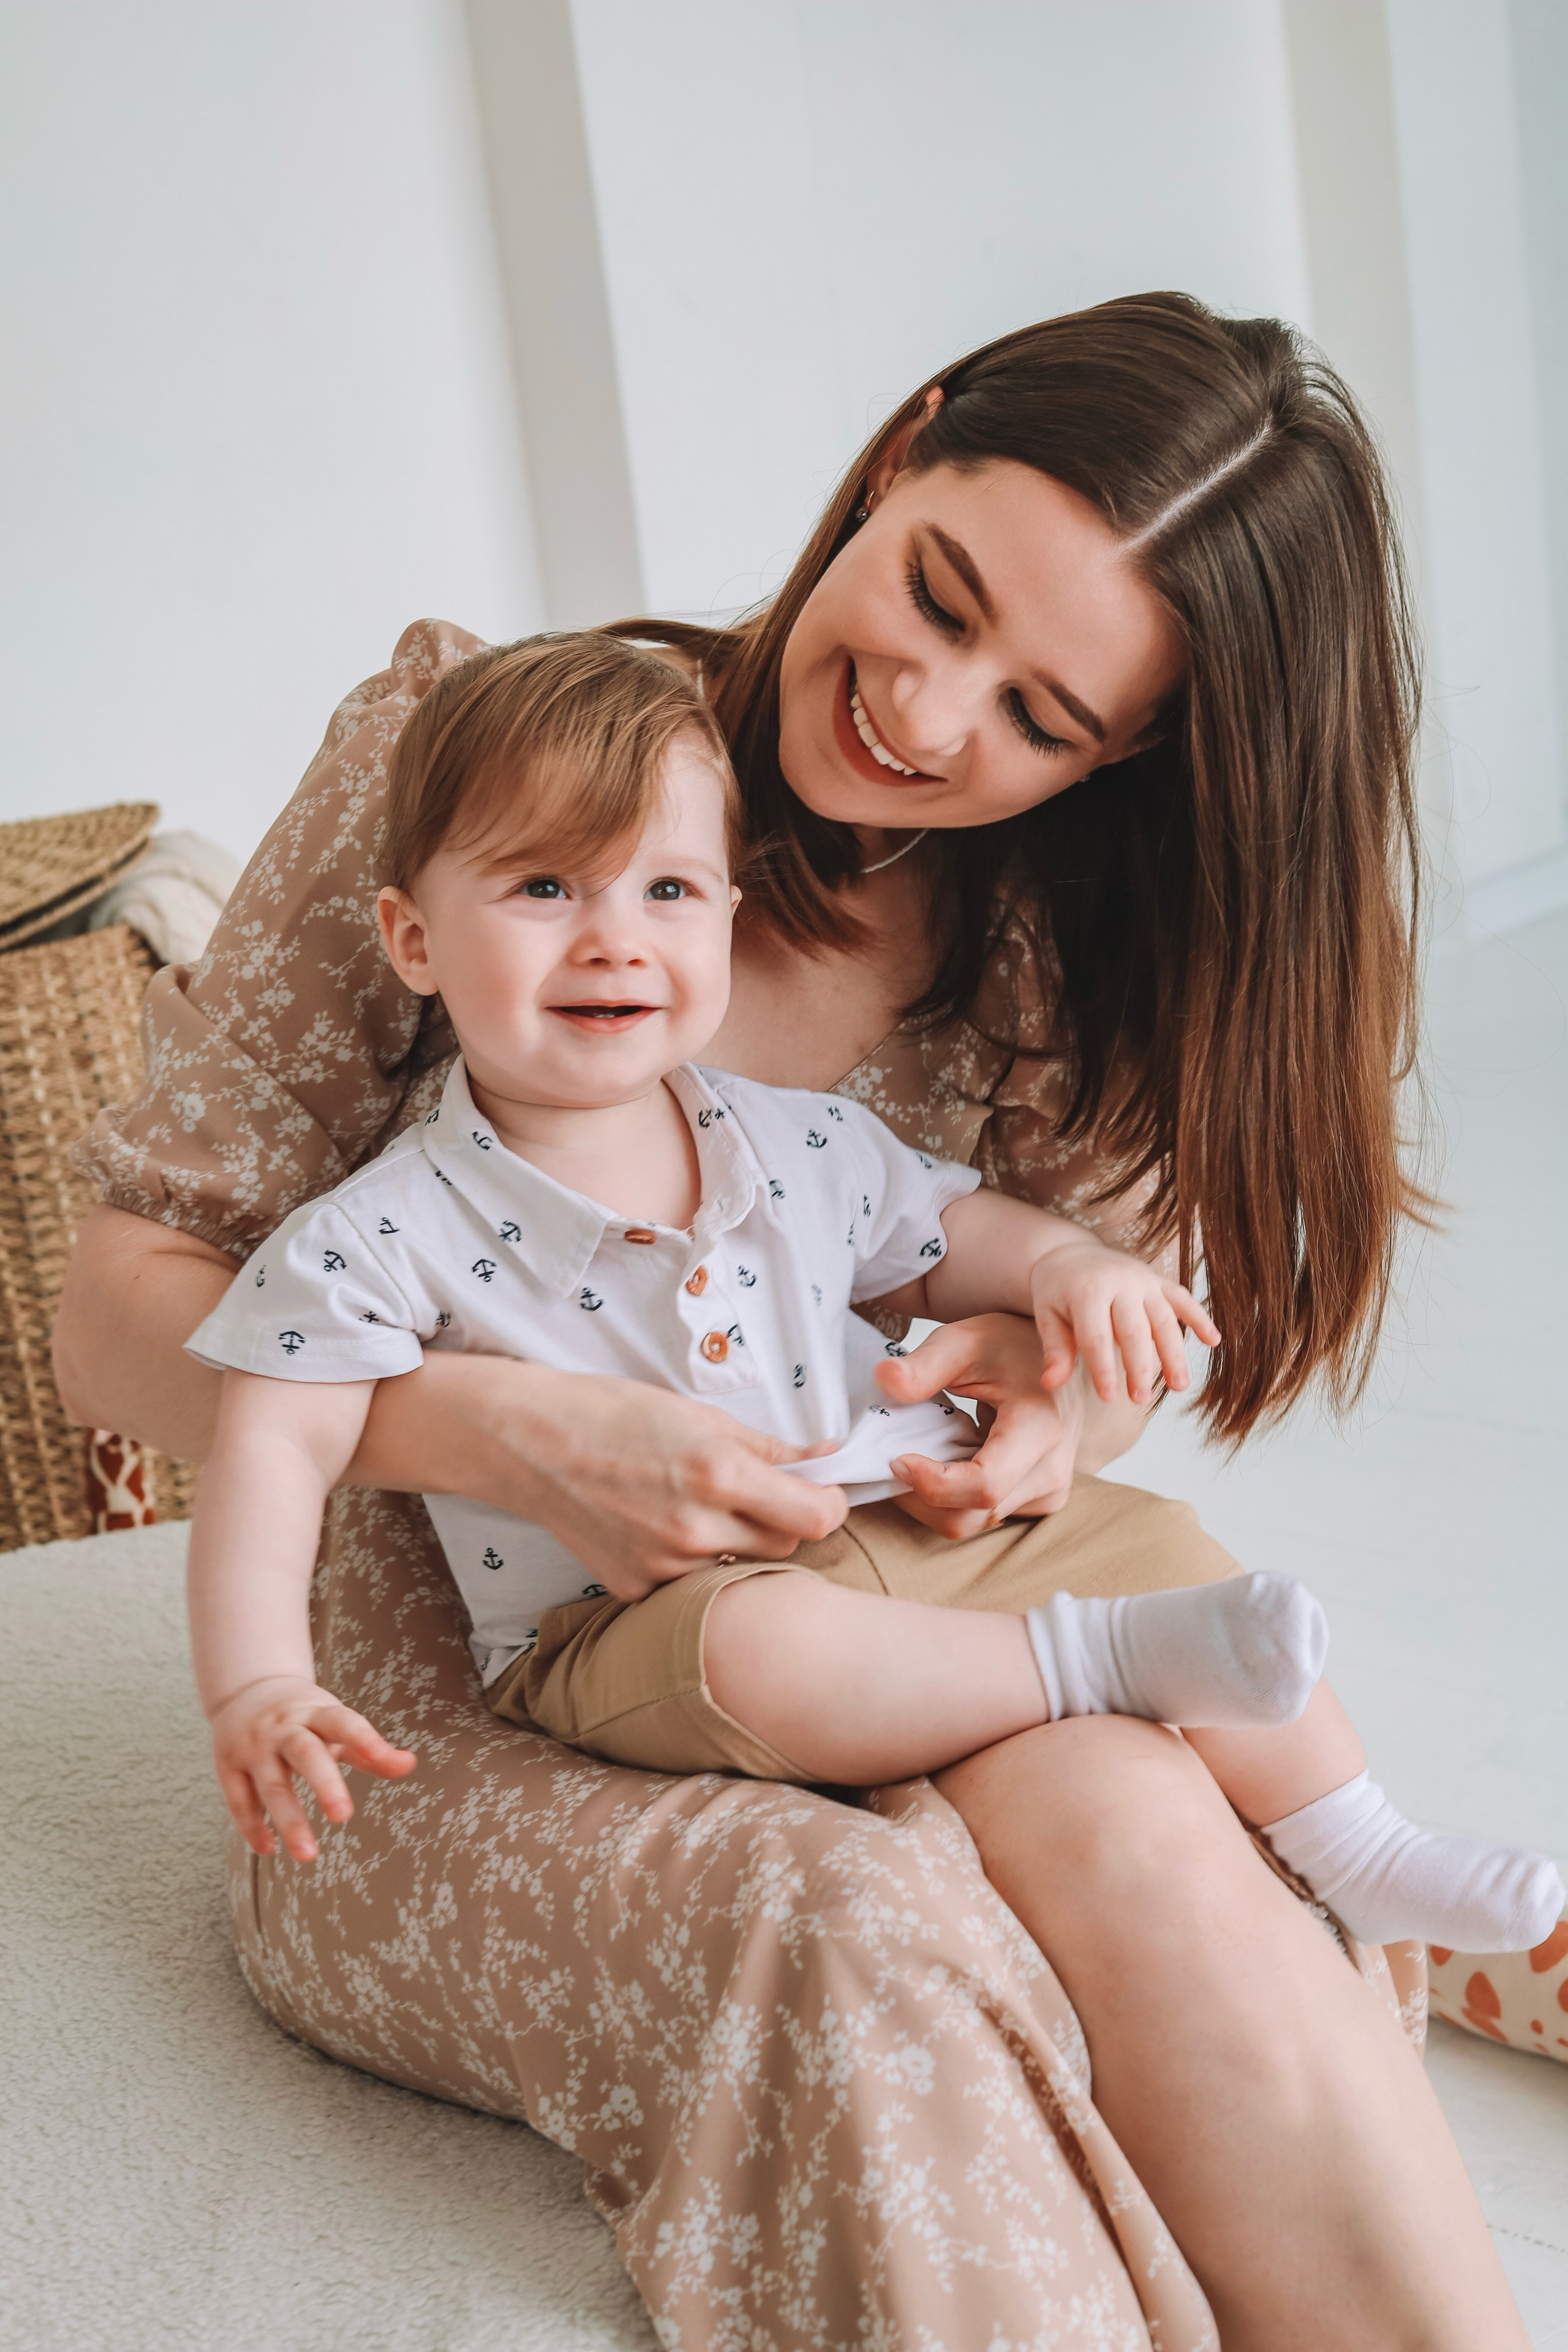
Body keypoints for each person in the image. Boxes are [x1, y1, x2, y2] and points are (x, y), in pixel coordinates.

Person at [55, 295, 1535, 2348]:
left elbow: (1040, 1329)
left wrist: (1041, 1417)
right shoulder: (491, 764)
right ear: (900, 445)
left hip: (882, 1617)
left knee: (1130, 1803)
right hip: (469, 1719)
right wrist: (493, 1432)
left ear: (1126, 760)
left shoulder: (1048, 941)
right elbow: (119, 1310)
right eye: (937, 595)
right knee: (846, 1916)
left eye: (1038, 719)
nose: (931, 720)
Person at [181, 630, 1564, 1960]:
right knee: (765, 1647)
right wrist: (257, 1683)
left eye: (664, 891)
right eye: (543, 888)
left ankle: (1359, 1847)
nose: (611, 939)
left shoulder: (793, 1139)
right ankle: (1094, 1670)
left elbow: (952, 1226)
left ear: (725, 915)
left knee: (1158, 1537)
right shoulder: (374, 1234)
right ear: (412, 939)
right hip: (630, 1621)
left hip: (888, 1510)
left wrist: (1068, 1268)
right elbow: (272, 1451)